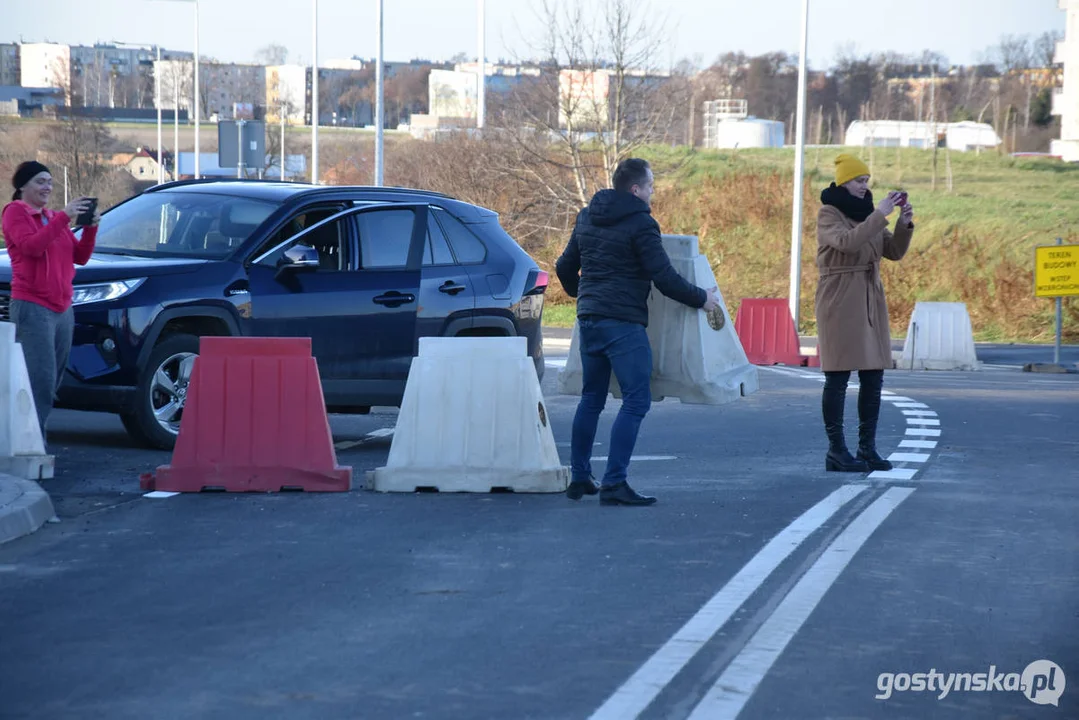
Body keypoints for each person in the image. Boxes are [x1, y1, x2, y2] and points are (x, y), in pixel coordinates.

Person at [555, 158, 720, 506]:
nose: (652, 192)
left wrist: (583, 296)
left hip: (590, 319)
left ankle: (580, 476)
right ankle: (614, 483)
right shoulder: (641, 224)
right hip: (622, 323)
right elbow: (663, 278)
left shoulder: (587, 216)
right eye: (650, 186)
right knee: (636, 400)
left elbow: (564, 266)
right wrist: (702, 298)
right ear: (635, 189)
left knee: (591, 399)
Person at [815, 154, 914, 473]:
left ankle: (867, 448)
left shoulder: (870, 213)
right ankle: (836, 451)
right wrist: (881, 215)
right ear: (844, 181)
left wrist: (903, 222)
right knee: (838, 374)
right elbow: (846, 243)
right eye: (859, 181)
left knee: (873, 374)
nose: (864, 186)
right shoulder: (829, 212)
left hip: (869, 297)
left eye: (867, 181)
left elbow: (894, 252)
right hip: (840, 297)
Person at [1, 161, 99, 441]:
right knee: (39, 379)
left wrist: (90, 228)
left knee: (52, 377)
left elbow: (79, 256)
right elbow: (31, 247)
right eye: (40, 182)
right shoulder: (15, 213)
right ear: (22, 186)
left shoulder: (51, 217)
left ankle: (31, 436)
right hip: (33, 305)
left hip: (62, 307)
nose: (47, 187)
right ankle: (31, 443)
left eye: (50, 182)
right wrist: (64, 218)